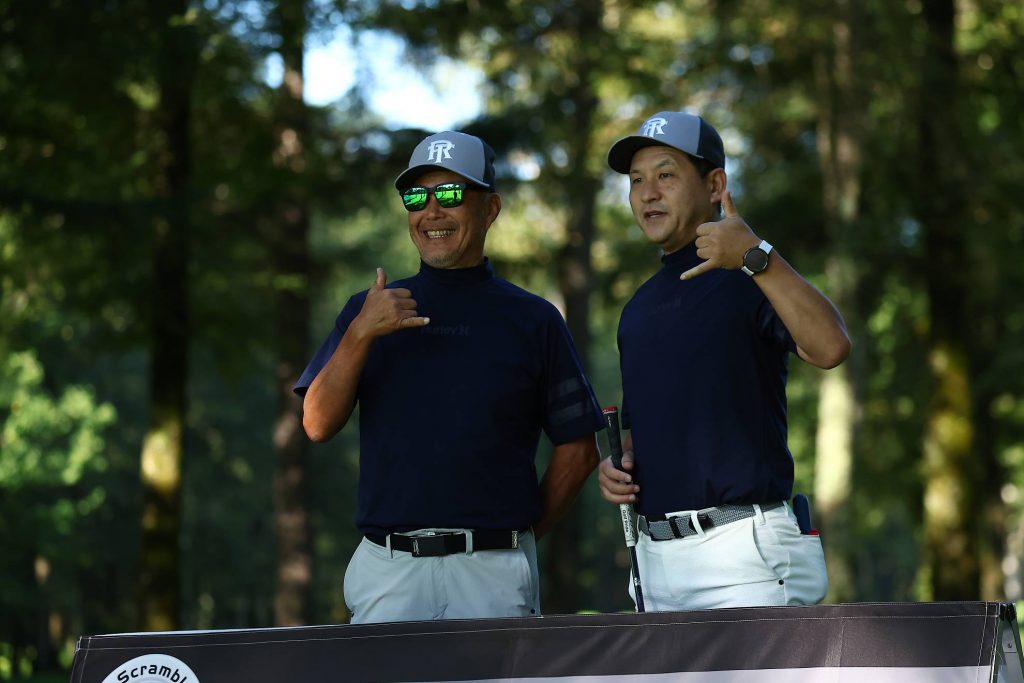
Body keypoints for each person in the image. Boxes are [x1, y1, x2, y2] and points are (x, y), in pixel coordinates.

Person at [296, 130, 604, 624]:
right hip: (388, 569)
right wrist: (359, 334)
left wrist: (516, 540)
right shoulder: (367, 311)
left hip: (493, 571)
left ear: (491, 209)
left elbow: (580, 450)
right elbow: (315, 424)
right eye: (417, 198)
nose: (432, 211)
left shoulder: (534, 319)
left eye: (451, 193)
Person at [598, 111, 852, 612]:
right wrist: (617, 465)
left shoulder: (752, 275)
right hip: (656, 560)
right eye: (636, 181)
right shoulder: (638, 310)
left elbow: (831, 347)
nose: (648, 193)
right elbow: (643, 433)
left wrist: (756, 254)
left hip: (744, 553)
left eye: (666, 175)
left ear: (715, 185)